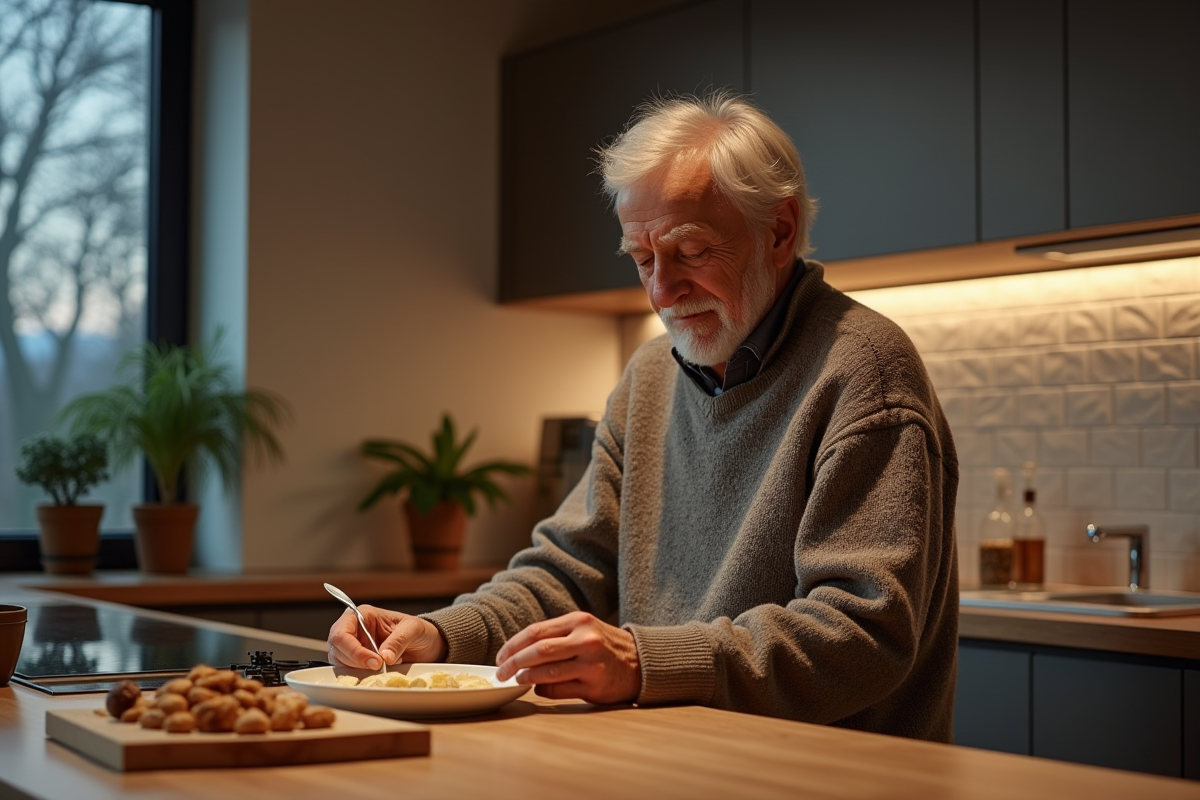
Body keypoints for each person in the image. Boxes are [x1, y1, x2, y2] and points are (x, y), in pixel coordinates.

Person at [328, 91, 960, 742]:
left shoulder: (865, 371)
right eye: (642, 258)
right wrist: (436, 635)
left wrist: (643, 663)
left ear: (779, 231)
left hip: (827, 773)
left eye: (689, 252)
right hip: (678, 755)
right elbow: (567, 572)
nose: (661, 291)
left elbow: (862, 634)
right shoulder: (651, 376)